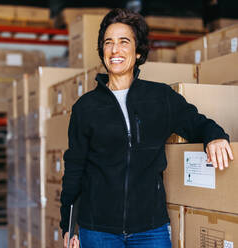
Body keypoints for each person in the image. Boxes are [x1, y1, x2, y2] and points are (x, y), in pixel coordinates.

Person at [60, 8, 234, 248]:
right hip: (98, 229)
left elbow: (196, 122)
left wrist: (215, 137)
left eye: (124, 42)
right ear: (102, 51)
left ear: (138, 50)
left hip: (151, 229)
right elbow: (74, 167)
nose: (115, 50)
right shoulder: (86, 107)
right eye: (108, 43)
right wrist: (69, 227)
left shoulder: (160, 97)